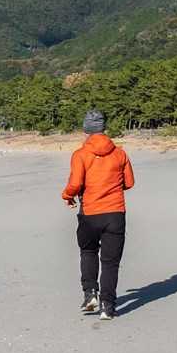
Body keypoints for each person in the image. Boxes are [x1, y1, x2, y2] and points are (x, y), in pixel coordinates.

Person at [61, 110, 135, 321]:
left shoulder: (80, 154)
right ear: (104, 129)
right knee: (111, 262)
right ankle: (107, 306)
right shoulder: (120, 153)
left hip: (90, 213)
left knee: (88, 251)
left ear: (86, 130)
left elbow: (75, 184)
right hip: (115, 213)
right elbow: (129, 182)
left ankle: (90, 293)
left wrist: (67, 195)